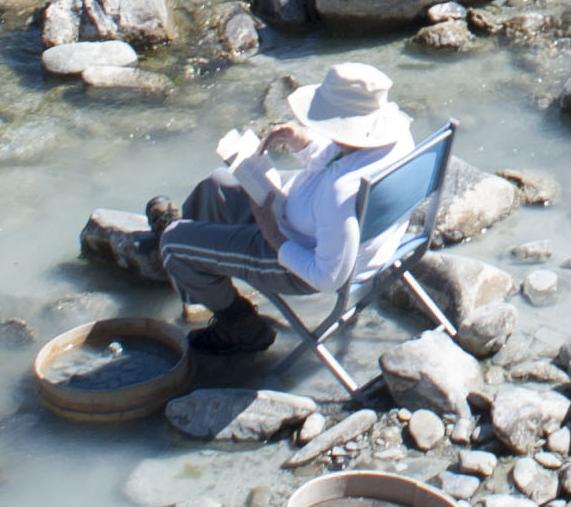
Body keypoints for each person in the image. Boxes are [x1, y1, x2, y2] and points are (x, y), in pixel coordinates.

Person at [152, 63, 414, 346]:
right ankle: (200, 296)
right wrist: (304, 143)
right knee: (216, 185)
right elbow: (336, 161)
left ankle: (242, 327)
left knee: (172, 244)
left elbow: (327, 278)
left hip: (298, 262)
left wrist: (271, 233)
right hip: (325, 227)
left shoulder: (342, 192)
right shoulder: (396, 141)